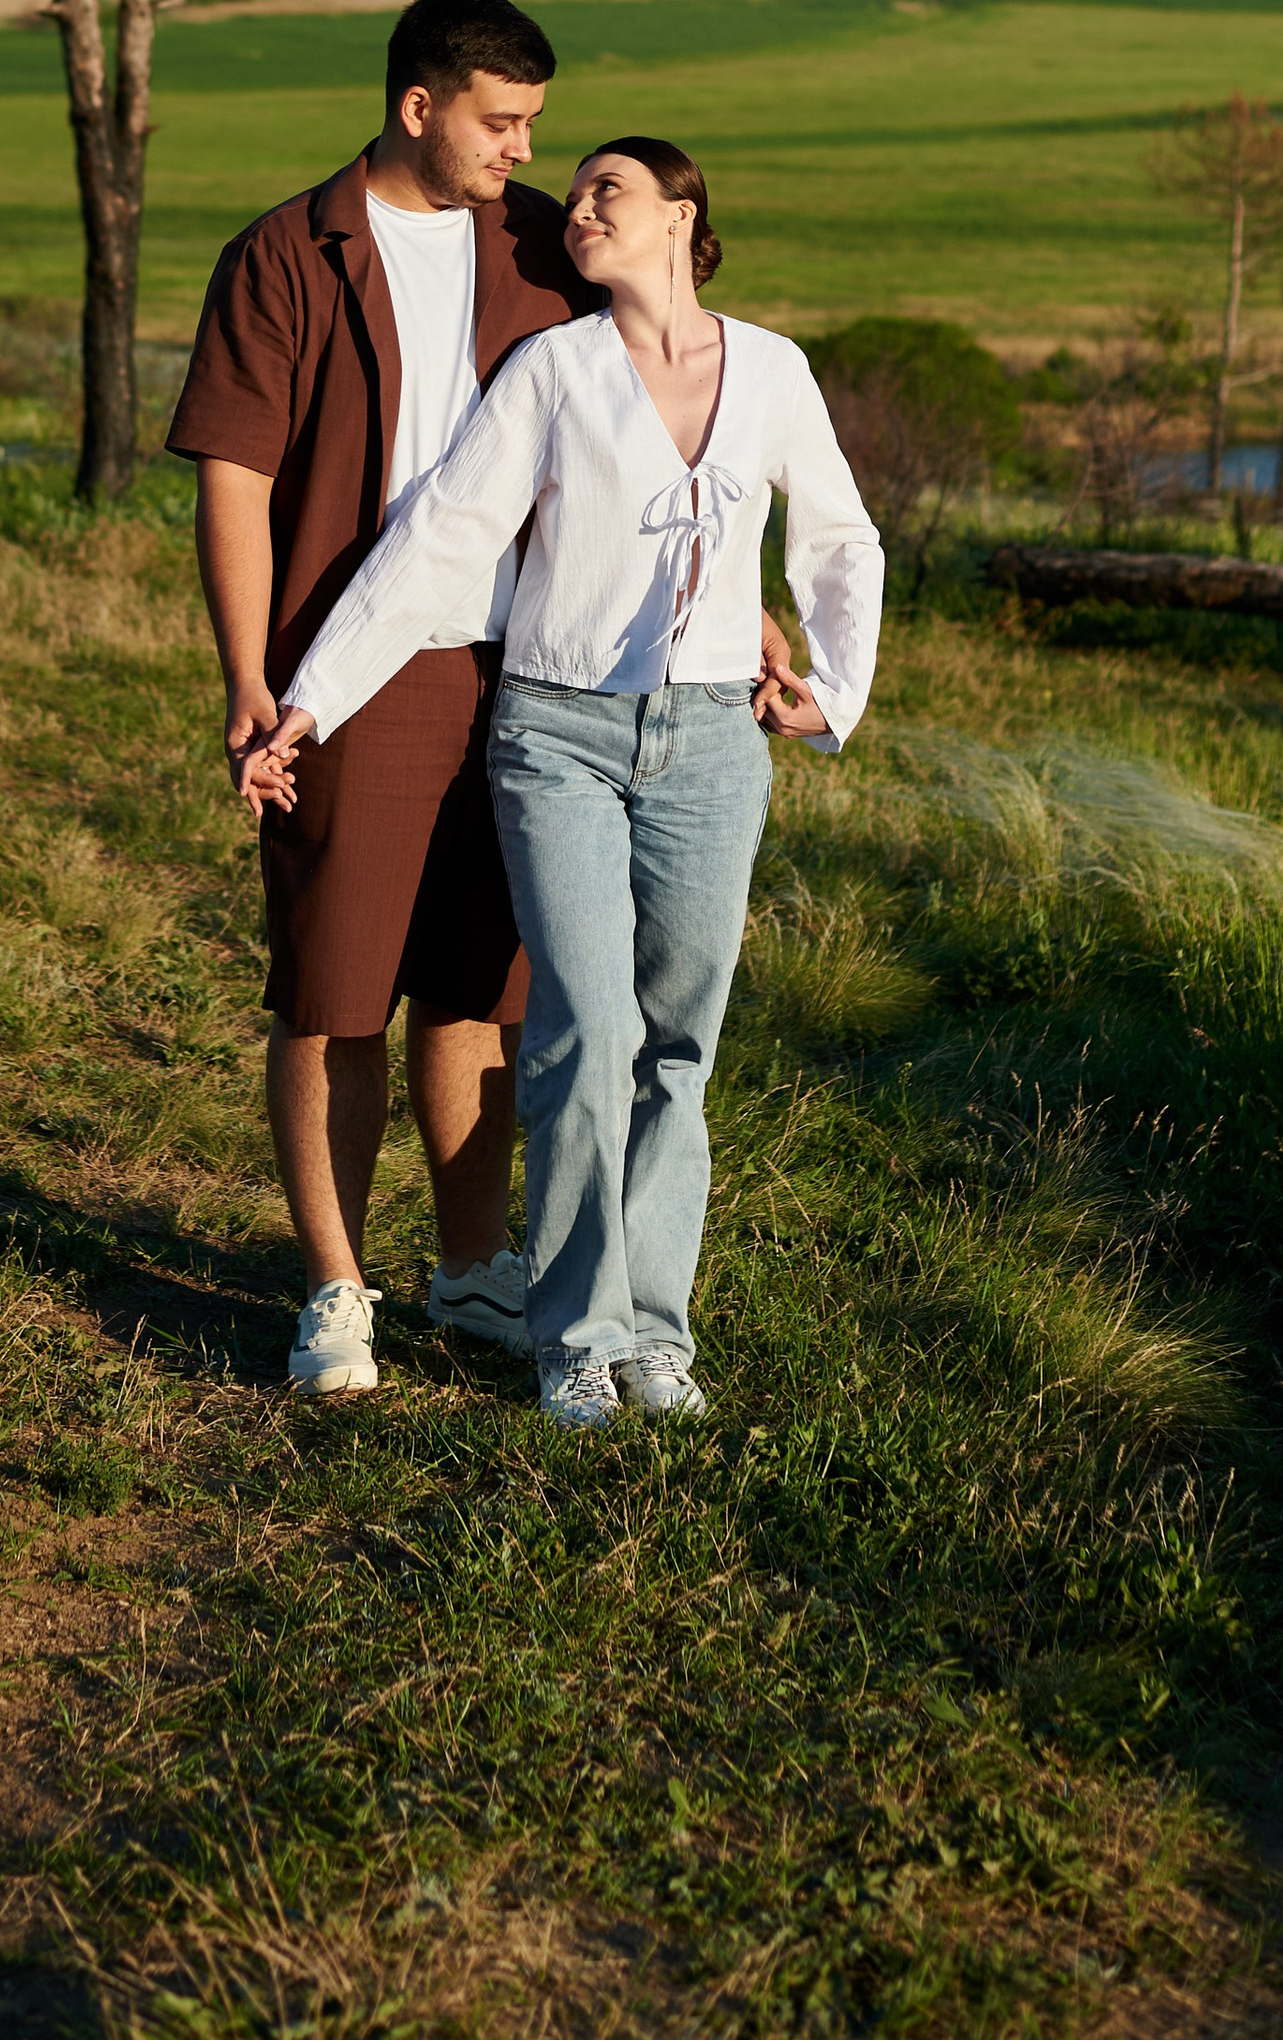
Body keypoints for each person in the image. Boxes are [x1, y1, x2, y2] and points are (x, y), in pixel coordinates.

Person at [169, 0, 796, 1405]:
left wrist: (739, 597)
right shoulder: (286, 255)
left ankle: (469, 1273)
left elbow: (662, 408)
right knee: (335, 993)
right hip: (357, 670)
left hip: (540, 673)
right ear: (418, 109)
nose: (526, 154)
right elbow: (235, 481)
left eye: (536, 127)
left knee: (486, 993)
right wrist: (249, 680)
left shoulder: (537, 245)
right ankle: (337, 1291)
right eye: (502, 123)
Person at [251, 135, 881, 1429]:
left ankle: (661, 1333)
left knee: (676, 1045)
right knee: (585, 1031)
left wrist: (836, 688)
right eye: (579, 189)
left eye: (609, 192)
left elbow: (839, 532)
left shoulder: (771, 370)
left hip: (711, 741)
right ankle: (577, 1340)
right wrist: (311, 702)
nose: (575, 208)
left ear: (681, 217)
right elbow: (442, 539)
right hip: (558, 739)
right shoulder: (554, 368)